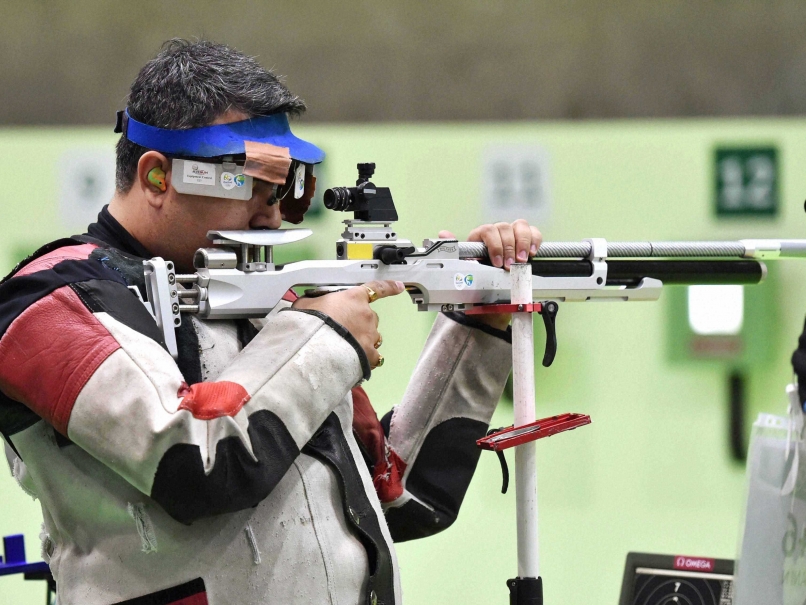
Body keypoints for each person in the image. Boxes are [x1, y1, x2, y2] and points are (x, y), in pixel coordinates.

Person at [0, 40, 542, 605]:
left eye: (285, 182)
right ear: (158, 177)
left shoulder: (266, 308)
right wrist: (324, 336)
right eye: (250, 180)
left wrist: (479, 319)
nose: (273, 210)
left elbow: (397, 496)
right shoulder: (50, 303)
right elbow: (197, 464)